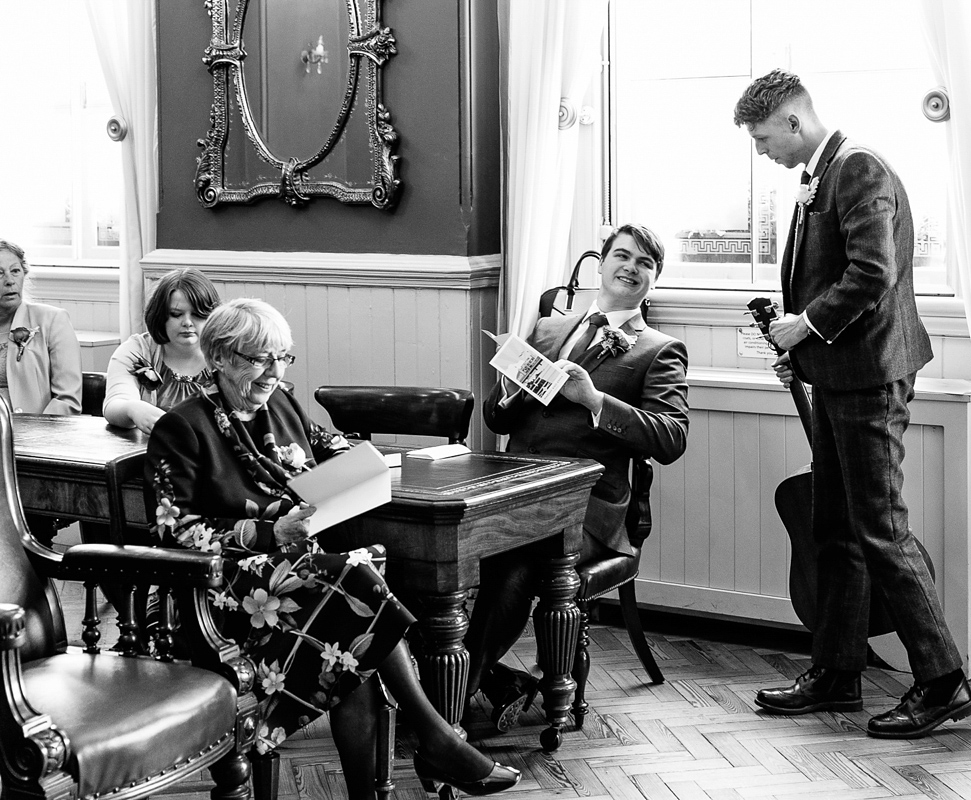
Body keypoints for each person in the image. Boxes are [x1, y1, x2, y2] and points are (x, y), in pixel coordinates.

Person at [145, 298, 520, 799]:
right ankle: (437, 738)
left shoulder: (280, 402)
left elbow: (330, 442)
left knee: (350, 650)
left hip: (298, 584)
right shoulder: (180, 428)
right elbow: (175, 533)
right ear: (219, 357)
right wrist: (267, 534)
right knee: (355, 584)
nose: (275, 371)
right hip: (221, 595)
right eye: (259, 358)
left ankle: (412, 760)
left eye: (283, 357)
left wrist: (355, 468)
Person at [733, 69, 971, 739]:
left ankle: (944, 680)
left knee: (880, 530)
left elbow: (873, 273)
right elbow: (838, 277)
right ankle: (837, 672)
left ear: (792, 121)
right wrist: (800, 348)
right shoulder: (821, 174)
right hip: (840, 374)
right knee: (833, 529)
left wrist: (804, 326)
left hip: (870, 379)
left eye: (761, 139)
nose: (761, 153)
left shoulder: (857, 167)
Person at [464, 223, 689, 732]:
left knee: (516, 564)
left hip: (585, 508)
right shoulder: (546, 331)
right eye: (622, 256)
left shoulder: (659, 349)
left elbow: (671, 438)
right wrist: (514, 391)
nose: (630, 268)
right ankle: (473, 684)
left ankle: (448, 702)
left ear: (653, 279)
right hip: (515, 492)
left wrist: (594, 401)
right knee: (436, 556)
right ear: (601, 263)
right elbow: (498, 421)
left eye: (645, 264)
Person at [104, 268, 220, 434]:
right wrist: (133, 408)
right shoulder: (137, 351)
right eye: (176, 314)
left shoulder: (227, 354)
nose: (187, 322)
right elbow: (114, 404)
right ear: (160, 315)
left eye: (197, 314)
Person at [0, 239, 82, 415]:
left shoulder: (52, 320)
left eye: (15, 271)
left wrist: (34, 435)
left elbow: (67, 400)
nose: (9, 281)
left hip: (32, 434)